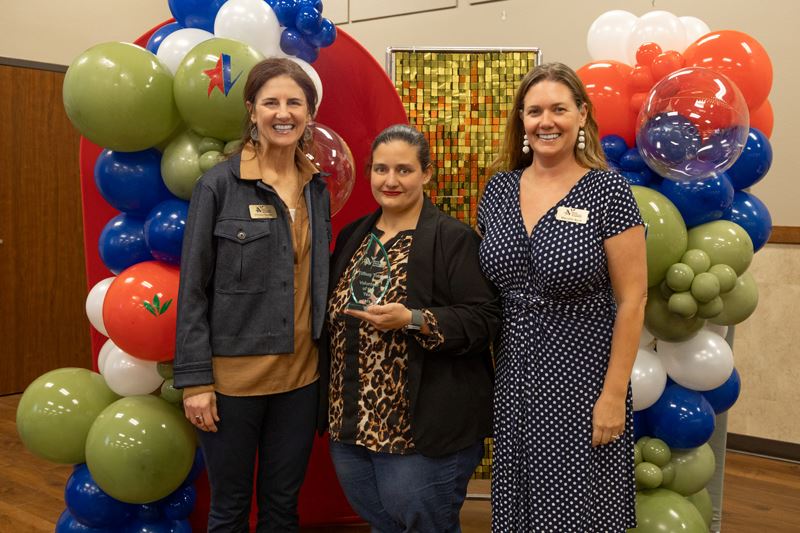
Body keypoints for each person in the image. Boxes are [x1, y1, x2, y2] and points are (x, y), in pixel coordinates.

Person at [477, 62, 647, 531]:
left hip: (582, 382)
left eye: (558, 108)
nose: (545, 121)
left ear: (582, 116)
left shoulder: (608, 190)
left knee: (574, 512)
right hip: (513, 380)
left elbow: (633, 300)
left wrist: (613, 395)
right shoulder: (498, 190)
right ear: (522, 122)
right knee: (518, 508)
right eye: (534, 111)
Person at [173, 57, 331, 532]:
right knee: (230, 509)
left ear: (309, 114)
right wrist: (197, 382)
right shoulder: (219, 186)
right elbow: (193, 289)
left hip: (301, 382)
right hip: (231, 386)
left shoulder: (314, 187)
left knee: (283, 508)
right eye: (271, 102)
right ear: (252, 110)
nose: (283, 113)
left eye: (294, 103)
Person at [320, 124, 501, 533]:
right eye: (381, 169)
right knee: (383, 525)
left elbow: (484, 319)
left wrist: (414, 319)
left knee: (424, 526)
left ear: (426, 174)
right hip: (351, 426)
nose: (391, 181)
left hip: (420, 434)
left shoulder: (453, 239)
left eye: (404, 170)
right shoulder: (354, 236)